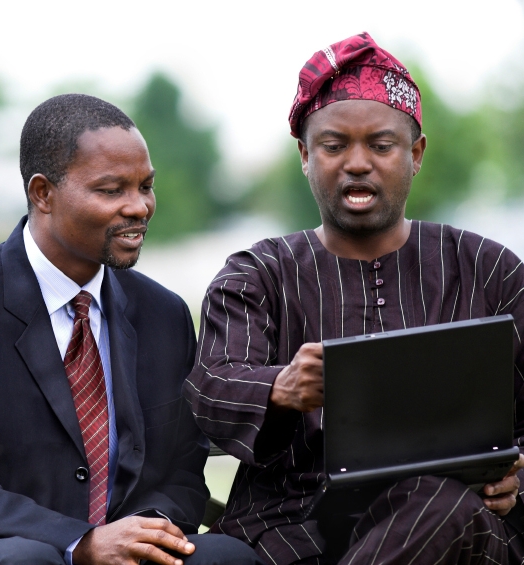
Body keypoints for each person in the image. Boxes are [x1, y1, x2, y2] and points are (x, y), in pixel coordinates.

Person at [0, 94, 262, 565]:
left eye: (145, 186)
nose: (138, 207)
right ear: (42, 193)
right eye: (112, 190)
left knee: (227, 558)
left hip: (119, 550)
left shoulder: (165, 315)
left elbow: (181, 470)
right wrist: (80, 542)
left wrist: (137, 537)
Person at [183, 33, 524, 564]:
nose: (357, 163)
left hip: (453, 524)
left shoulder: (488, 271)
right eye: (334, 145)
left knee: (435, 499)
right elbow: (210, 385)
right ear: (304, 155)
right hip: (290, 527)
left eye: (381, 146)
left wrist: (518, 479)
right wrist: (282, 386)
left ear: (415, 154)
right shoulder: (257, 275)